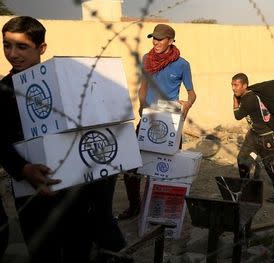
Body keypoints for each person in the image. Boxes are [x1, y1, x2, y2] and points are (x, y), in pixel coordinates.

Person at [0, 16, 124, 262]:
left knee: (77, 249)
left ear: (41, 48)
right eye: (6, 45)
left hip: (75, 192)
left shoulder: (65, 82)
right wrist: (23, 169)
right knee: (41, 252)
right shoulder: (3, 90)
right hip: (32, 192)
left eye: (22, 46)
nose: (12, 54)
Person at [119, 23, 196, 220]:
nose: (155, 42)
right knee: (131, 166)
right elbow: (143, 87)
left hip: (170, 121)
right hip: (148, 119)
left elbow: (192, 94)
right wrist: (142, 105)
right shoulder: (147, 59)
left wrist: (186, 106)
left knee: (165, 168)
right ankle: (135, 205)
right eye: (154, 38)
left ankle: (157, 210)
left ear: (170, 41)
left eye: (160, 39)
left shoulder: (182, 64)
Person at [231, 73, 274, 202]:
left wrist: (234, 100)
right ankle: (246, 190)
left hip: (266, 137)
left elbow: (238, 115)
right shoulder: (248, 95)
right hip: (254, 134)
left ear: (244, 85)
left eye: (236, 85)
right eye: (232, 85)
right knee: (243, 158)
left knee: (272, 166)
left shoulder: (248, 99)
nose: (234, 88)